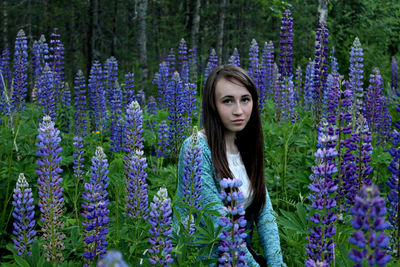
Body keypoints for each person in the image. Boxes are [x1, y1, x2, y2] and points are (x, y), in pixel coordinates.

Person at [175, 65, 285, 266]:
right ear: (212, 105)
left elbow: (264, 214)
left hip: (238, 258)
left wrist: (276, 264)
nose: (239, 111)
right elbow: (217, 220)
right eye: (227, 101)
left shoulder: (247, 145)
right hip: (202, 258)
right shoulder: (196, 148)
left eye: (245, 99)